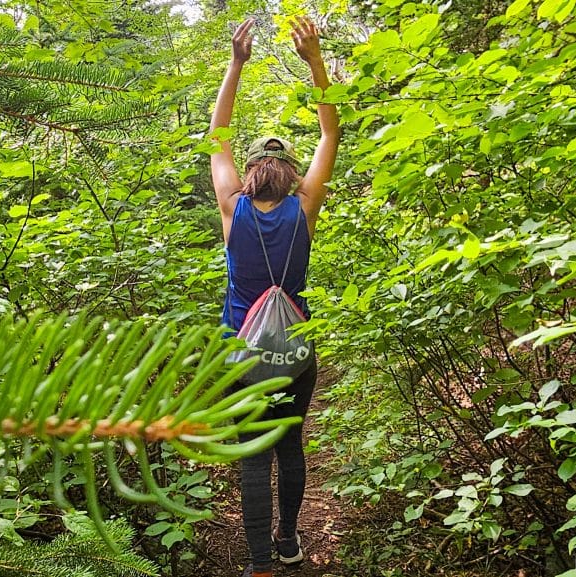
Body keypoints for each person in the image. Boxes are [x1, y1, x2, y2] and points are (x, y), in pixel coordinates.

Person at [209, 15, 339, 577]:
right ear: (289, 175)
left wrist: (236, 63)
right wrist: (314, 61)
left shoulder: (231, 207)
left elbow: (218, 137)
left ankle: (260, 562)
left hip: (239, 354)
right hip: (295, 356)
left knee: (253, 455)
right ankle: (289, 542)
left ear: (253, 173)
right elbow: (331, 134)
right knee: (289, 447)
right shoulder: (304, 209)